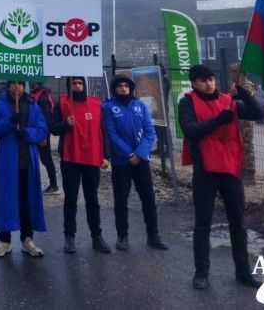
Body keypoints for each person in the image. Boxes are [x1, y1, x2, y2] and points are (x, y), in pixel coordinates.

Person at [180, 64, 263, 290]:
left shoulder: (229, 100)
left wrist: (243, 91)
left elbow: (258, 113)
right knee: (203, 224)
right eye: (203, 80)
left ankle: (244, 272)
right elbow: (190, 130)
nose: (209, 84)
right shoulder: (187, 102)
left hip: (230, 170)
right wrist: (219, 121)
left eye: (211, 79)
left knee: (238, 223)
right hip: (205, 171)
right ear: (194, 83)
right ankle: (202, 273)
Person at [103, 75, 168, 251]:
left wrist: (140, 153)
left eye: (126, 86)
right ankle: (122, 235)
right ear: (115, 89)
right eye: (120, 86)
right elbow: (111, 134)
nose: (123, 89)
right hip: (121, 162)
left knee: (148, 198)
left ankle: (153, 235)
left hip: (141, 160)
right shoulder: (108, 107)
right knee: (121, 200)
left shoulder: (140, 106)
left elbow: (149, 131)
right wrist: (128, 153)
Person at [50, 76, 111, 255]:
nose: (77, 86)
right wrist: (65, 124)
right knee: (71, 199)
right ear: (69, 86)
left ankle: (97, 236)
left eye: (80, 83)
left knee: (92, 200)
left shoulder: (96, 104)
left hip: (92, 159)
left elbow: (104, 130)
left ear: (84, 85)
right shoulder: (62, 103)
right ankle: (69, 235)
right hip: (71, 159)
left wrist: (106, 155)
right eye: (73, 84)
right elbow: (52, 128)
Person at [0, 79, 48, 258]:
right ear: (8, 85)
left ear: (25, 86)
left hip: (27, 161)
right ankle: (4, 240)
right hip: (8, 162)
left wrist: (26, 133)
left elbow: (42, 129)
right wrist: (9, 122)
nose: (17, 87)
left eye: (20, 83)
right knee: (7, 199)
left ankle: (27, 238)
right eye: (13, 83)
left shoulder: (33, 106)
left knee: (27, 200)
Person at [228, 63, 257, 185]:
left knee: (247, 147)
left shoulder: (247, 85)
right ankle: (241, 171)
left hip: (246, 122)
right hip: (237, 121)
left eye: (236, 71)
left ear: (243, 73)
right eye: (232, 71)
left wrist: (235, 93)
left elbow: (246, 98)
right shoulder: (235, 86)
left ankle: (250, 174)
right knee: (238, 146)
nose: (233, 74)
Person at [30, 82, 59, 193]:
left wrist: (44, 135)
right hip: (38, 131)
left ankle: (54, 184)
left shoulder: (42, 97)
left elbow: (46, 117)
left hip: (41, 132)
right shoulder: (38, 94)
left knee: (46, 158)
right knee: (43, 158)